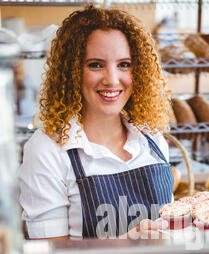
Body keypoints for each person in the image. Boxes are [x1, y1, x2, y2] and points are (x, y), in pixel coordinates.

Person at [18, 5, 173, 240]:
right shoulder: (47, 151)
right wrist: (125, 244)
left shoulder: (153, 141)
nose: (112, 80)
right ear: (72, 72)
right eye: (95, 64)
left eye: (124, 64)